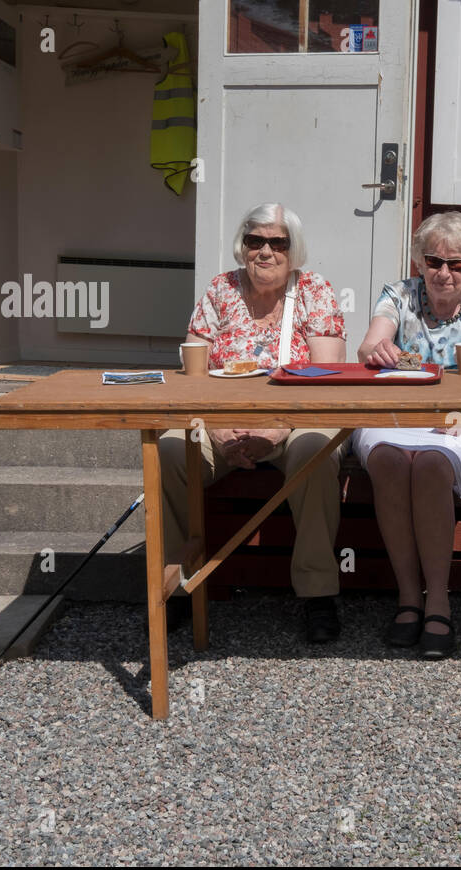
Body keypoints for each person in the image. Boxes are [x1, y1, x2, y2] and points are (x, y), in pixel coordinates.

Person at [158, 202, 348, 644]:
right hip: (221, 422)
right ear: (242, 245)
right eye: (254, 240)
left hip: (295, 422)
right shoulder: (220, 290)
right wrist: (216, 428)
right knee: (169, 449)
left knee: (315, 450)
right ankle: (175, 584)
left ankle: (318, 592)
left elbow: (323, 380)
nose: (265, 251)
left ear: (293, 249)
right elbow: (193, 372)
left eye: (277, 242)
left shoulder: (315, 291)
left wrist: (275, 430)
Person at [352, 211, 461, 659]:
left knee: (431, 464)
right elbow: (367, 347)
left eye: (456, 264)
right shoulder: (399, 294)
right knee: (387, 460)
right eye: (434, 261)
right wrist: (379, 351)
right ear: (420, 262)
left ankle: (438, 599)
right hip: (396, 415)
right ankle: (408, 597)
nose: (444, 272)